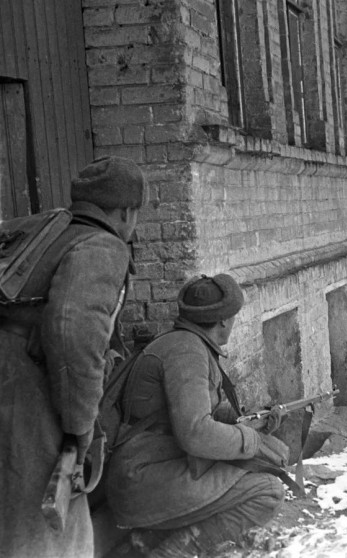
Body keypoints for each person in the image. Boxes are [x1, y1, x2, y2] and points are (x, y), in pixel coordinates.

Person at [0, 156, 145, 558]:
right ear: (127, 211)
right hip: (28, 395)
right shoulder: (101, 245)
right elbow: (72, 330)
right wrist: (79, 429)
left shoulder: (35, 232)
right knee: (49, 534)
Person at [106, 274, 289, 557]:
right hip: (144, 477)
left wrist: (253, 420)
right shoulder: (186, 351)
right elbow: (195, 432)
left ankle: (150, 538)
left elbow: (194, 412)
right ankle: (178, 549)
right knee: (268, 491)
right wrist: (250, 440)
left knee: (265, 458)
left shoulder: (184, 343)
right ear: (224, 321)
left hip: (149, 469)